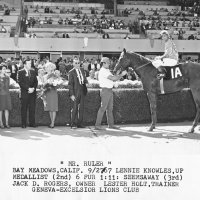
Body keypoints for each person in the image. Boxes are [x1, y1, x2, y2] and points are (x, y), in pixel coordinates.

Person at [95, 57, 126, 130]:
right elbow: (113, 78)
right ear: (104, 63)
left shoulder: (106, 70)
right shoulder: (103, 71)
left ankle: (111, 125)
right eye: (108, 63)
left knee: (110, 109)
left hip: (109, 90)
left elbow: (112, 78)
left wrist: (117, 75)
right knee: (103, 108)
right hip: (105, 91)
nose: (109, 64)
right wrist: (121, 74)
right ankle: (97, 125)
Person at [17, 59, 38, 128]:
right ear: (25, 64)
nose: (30, 65)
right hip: (24, 93)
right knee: (24, 109)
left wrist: (33, 88)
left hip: (32, 93)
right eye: (28, 63)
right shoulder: (20, 72)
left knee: (32, 109)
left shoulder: (33, 71)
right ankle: (23, 124)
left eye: (30, 63)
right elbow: (20, 82)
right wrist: (28, 88)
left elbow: (36, 81)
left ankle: (32, 123)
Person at [68, 58, 88, 128]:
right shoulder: (71, 72)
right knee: (75, 108)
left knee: (81, 107)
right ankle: (73, 123)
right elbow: (70, 84)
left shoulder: (82, 70)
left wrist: (86, 82)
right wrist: (72, 94)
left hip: (82, 90)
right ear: (73, 64)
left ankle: (80, 123)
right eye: (75, 63)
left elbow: (84, 78)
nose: (77, 64)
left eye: (78, 63)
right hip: (75, 91)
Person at [43, 62, 59, 128]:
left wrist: (54, 84)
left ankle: (52, 123)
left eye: (48, 67)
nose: (46, 68)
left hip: (53, 93)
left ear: (51, 68)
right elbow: (43, 85)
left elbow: (56, 84)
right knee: (49, 108)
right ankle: (51, 122)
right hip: (47, 93)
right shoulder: (44, 76)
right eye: (46, 67)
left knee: (53, 108)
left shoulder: (54, 75)